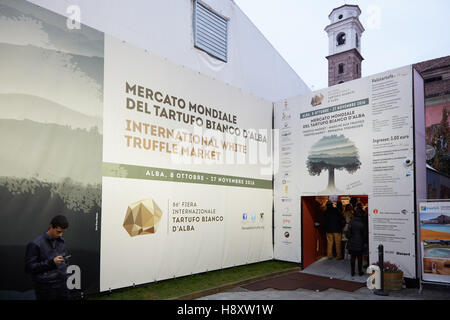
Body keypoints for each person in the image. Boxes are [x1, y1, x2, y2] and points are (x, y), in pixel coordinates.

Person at [25, 215, 70, 300]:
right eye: (58, 231)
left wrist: (64, 261)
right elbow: (29, 268)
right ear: (51, 227)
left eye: (63, 232)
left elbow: (62, 260)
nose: (60, 235)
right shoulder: (35, 244)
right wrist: (52, 263)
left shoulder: (61, 241)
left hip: (61, 283)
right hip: (45, 287)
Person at [346, 208, 367, 276]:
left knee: (352, 257)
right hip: (359, 242)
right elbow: (365, 235)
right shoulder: (362, 223)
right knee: (360, 258)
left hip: (351, 242)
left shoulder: (351, 222)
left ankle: (352, 272)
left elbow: (348, 233)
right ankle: (360, 272)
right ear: (361, 214)